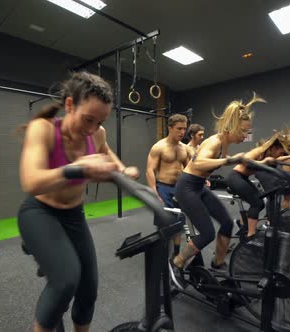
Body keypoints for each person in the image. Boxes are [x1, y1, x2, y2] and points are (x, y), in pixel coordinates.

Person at [17, 71, 139, 332]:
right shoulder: (45, 129)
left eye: (100, 121)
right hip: (39, 212)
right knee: (65, 281)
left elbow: (106, 151)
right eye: (88, 119)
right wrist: (78, 168)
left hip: (74, 215)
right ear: (70, 104)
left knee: (88, 288)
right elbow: (30, 181)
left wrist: (122, 169)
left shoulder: (97, 133)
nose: (92, 128)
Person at [172, 93, 265, 271]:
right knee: (207, 234)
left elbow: (224, 158)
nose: (246, 135)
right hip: (187, 187)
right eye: (244, 131)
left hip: (198, 186)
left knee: (227, 223)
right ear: (232, 127)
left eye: (248, 131)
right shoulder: (214, 142)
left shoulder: (224, 141)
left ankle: (218, 263)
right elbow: (199, 162)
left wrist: (250, 161)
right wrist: (229, 161)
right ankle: (177, 262)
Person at [225, 131, 290, 238]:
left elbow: (275, 162)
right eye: (280, 152)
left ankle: (244, 225)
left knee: (260, 202)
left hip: (243, 177)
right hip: (235, 177)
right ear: (273, 148)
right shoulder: (259, 151)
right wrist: (265, 162)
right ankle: (250, 235)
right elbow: (246, 161)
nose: (280, 155)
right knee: (257, 203)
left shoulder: (268, 155)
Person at [146, 114, 190, 257]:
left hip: (180, 189)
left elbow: (188, 168)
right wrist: (154, 192)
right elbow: (150, 170)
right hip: (163, 188)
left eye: (184, 129)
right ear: (170, 128)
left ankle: (176, 254)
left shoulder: (184, 148)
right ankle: (161, 252)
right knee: (164, 223)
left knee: (179, 223)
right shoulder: (159, 147)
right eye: (179, 129)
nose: (182, 132)